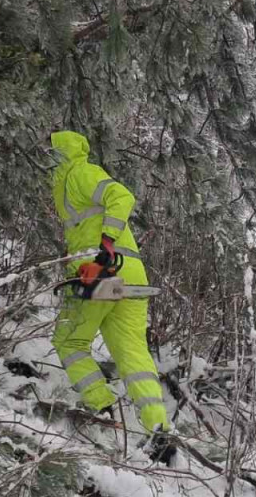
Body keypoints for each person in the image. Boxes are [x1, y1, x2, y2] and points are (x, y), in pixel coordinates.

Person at [48, 130, 175, 463]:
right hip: (131, 277)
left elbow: (122, 196)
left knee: (69, 341)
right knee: (133, 353)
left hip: (103, 272)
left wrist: (106, 243)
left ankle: (101, 406)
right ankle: (158, 429)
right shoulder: (67, 186)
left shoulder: (79, 173)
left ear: (61, 153)